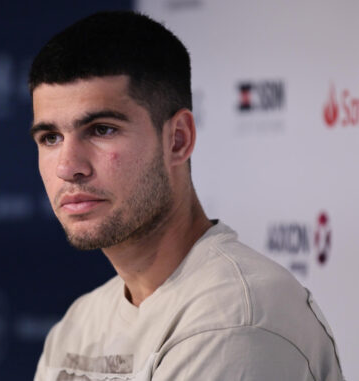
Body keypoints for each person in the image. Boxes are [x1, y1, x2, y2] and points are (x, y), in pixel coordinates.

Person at [28, 11, 344, 380]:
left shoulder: (235, 322)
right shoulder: (79, 325)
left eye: (101, 130)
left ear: (177, 139)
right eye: (50, 138)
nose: (68, 167)